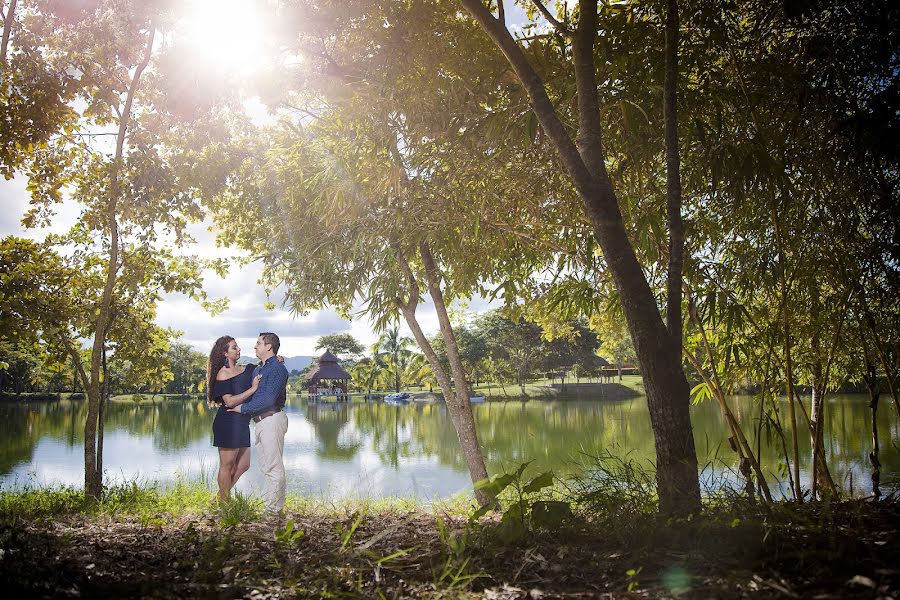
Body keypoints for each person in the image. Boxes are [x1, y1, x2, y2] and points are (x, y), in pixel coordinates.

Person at [229, 332, 289, 515]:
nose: (255, 347)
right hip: (261, 423)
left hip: (271, 420)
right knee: (266, 466)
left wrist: (240, 409)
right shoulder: (258, 369)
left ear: (268, 347)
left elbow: (267, 400)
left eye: (258, 344)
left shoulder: (277, 370)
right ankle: (272, 509)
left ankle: (273, 511)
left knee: (273, 466)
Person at [207, 336, 261, 503]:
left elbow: (264, 368)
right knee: (227, 465)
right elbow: (229, 401)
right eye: (234, 348)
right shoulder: (223, 374)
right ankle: (224, 503)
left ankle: (219, 498)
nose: (238, 350)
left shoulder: (246, 369)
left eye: (237, 347)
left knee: (244, 465)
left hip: (242, 422)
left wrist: (277, 360)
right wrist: (252, 389)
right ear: (225, 353)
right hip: (228, 422)